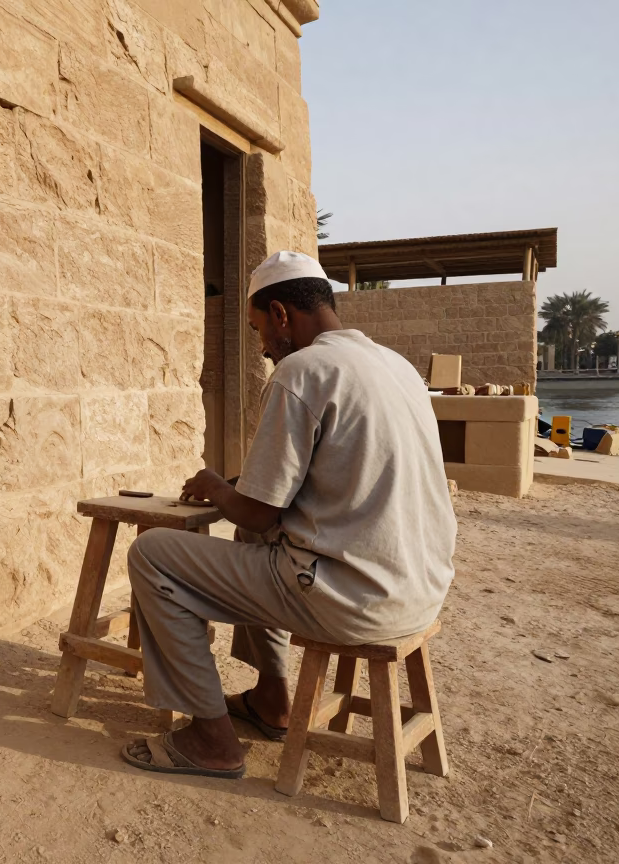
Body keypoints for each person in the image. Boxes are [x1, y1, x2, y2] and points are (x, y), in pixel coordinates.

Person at [121, 250, 457, 778]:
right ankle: (273, 700)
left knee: (152, 556)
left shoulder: (302, 370)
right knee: (261, 542)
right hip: (421, 589)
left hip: (352, 600)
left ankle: (212, 741)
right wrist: (239, 493)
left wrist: (215, 486)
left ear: (281, 314)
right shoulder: (398, 367)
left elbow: (256, 514)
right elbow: (316, 487)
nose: (262, 347)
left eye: (259, 329)